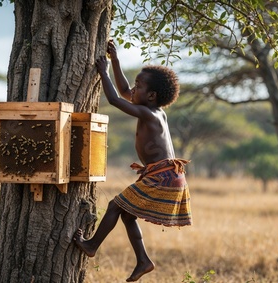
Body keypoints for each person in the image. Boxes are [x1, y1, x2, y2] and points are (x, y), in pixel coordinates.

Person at [74, 40, 192, 282]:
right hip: (163, 174)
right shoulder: (151, 108)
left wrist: (103, 72)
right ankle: (143, 261)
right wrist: (115, 62)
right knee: (127, 214)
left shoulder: (149, 114)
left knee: (116, 206)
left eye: (138, 86)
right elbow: (125, 92)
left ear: (151, 95)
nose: (133, 89)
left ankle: (92, 245)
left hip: (163, 176)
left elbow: (116, 100)